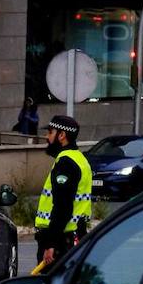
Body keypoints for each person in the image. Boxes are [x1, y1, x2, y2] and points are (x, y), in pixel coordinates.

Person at [34, 114, 93, 267]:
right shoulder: (80, 158)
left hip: (61, 242)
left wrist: (50, 244)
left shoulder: (65, 163)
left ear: (62, 135)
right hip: (74, 236)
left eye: (50, 132)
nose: (47, 137)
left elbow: (63, 206)